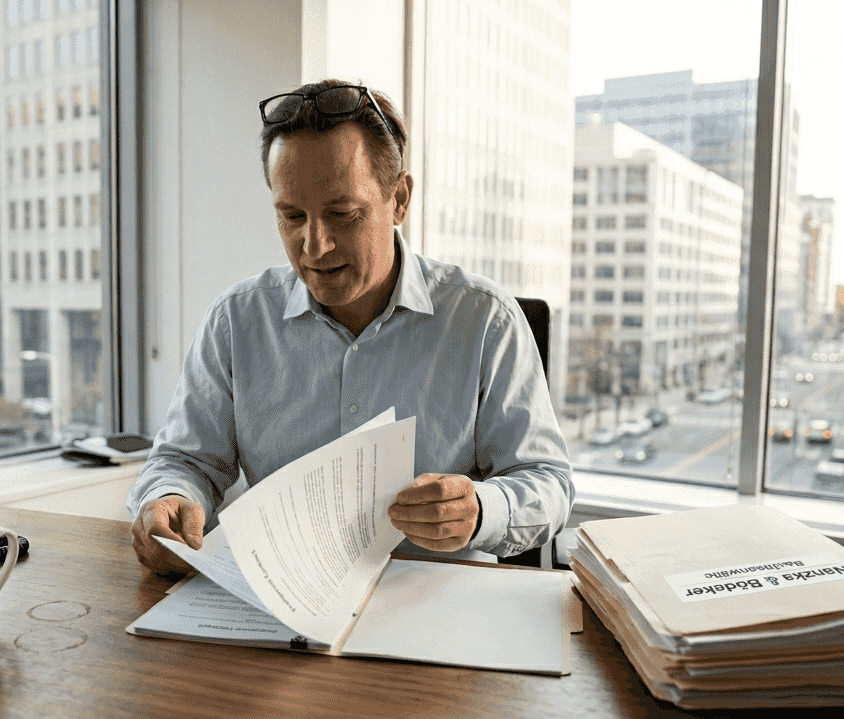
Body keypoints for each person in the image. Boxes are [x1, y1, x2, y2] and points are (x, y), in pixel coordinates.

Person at [128, 79, 573, 576]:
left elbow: (547, 480)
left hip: (438, 601)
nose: (314, 246)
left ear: (399, 199)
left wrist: (481, 511)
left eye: (343, 215)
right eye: (291, 216)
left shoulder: (486, 318)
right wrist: (168, 499)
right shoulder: (237, 320)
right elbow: (185, 461)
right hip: (285, 600)